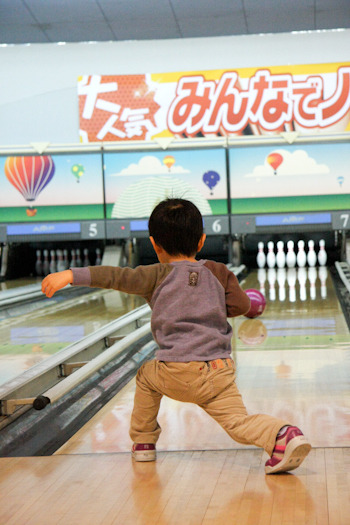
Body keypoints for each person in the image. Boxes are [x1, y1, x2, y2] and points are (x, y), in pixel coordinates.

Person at [42, 198, 311, 474]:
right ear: (202, 241)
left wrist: (72, 275)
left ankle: (144, 443)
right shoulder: (219, 272)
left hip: (175, 371)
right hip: (219, 371)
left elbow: (116, 276)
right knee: (238, 423)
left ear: (154, 244)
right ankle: (282, 435)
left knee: (146, 376)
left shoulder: (155, 274)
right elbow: (242, 306)